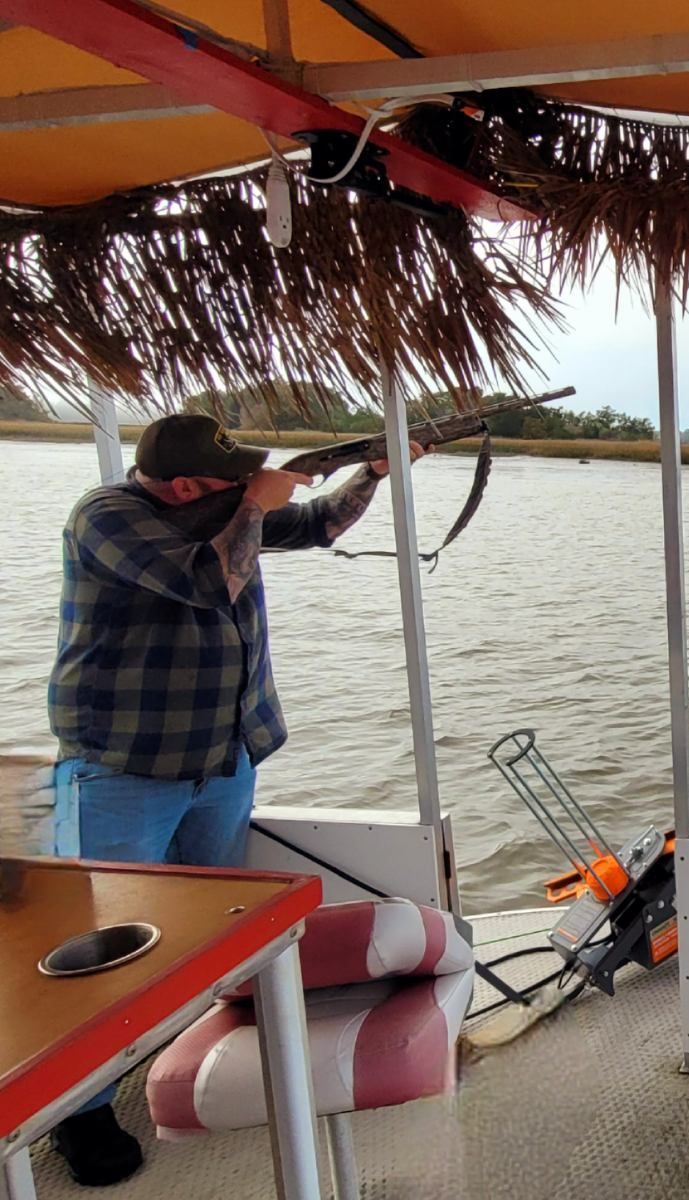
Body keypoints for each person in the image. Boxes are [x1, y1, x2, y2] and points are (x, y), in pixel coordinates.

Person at [45, 413, 421, 1187]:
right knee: (102, 952)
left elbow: (315, 526)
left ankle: (190, 1057)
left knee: (211, 936)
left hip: (222, 761)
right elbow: (208, 579)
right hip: (125, 769)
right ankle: (77, 1116)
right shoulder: (106, 517)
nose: (246, 489)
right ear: (185, 487)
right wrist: (254, 503)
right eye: (229, 481)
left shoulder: (222, 509)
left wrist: (373, 473)